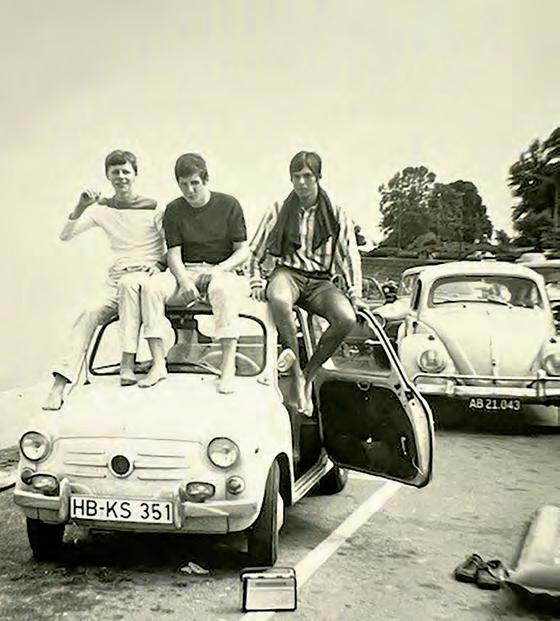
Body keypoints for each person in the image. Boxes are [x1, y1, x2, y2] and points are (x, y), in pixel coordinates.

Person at [42, 150, 166, 410]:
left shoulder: (155, 208)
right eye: (115, 172)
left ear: (135, 174)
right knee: (88, 313)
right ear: (107, 175)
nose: (121, 177)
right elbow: (66, 235)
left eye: (126, 171)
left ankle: (131, 364)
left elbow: (173, 245)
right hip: (117, 280)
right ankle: (59, 386)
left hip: (147, 278)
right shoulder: (103, 210)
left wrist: (159, 265)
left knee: (136, 293)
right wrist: (81, 206)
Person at [248, 150, 363, 415]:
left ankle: (308, 374)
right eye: (296, 176)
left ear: (318, 177)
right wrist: (255, 281)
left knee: (346, 318)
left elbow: (349, 254)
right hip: (288, 273)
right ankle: (294, 369)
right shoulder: (278, 208)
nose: (301, 182)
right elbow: (255, 252)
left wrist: (355, 293)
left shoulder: (335, 211)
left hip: (321, 280)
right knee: (278, 298)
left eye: (307, 176)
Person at [137, 153, 250, 393]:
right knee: (150, 288)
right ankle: (158, 364)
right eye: (184, 184)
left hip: (222, 270)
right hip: (186, 269)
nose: (189, 190)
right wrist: (184, 280)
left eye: (195, 183)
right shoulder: (174, 209)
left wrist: (219, 269)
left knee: (222, 290)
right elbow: (173, 254)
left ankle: (227, 367)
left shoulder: (229, 204)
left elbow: (242, 251)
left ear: (205, 179)